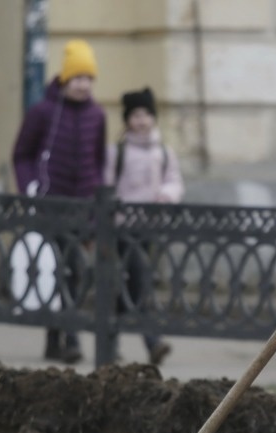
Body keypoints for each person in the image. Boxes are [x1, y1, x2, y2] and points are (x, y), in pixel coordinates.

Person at [12, 39, 107, 364]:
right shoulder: (43, 112)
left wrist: (97, 209)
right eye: (78, 78)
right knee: (62, 270)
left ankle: (56, 339)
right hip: (50, 206)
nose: (83, 85)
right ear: (65, 78)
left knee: (74, 273)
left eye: (88, 79)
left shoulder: (97, 115)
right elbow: (22, 154)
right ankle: (71, 338)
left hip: (83, 210)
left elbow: (97, 163)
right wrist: (30, 188)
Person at [105, 87, 184, 365]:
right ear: (127, 119)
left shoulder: (163, 151)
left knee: (126, 286)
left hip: (150, 228)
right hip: (122, 228)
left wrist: (168, 194)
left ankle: (109, 342)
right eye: (135, 115)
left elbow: (174, 180)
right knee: (138, 281)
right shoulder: (117, 152)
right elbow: (106, 184)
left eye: (146, 114)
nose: (141, 120)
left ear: (153, 118)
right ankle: (152, 342)